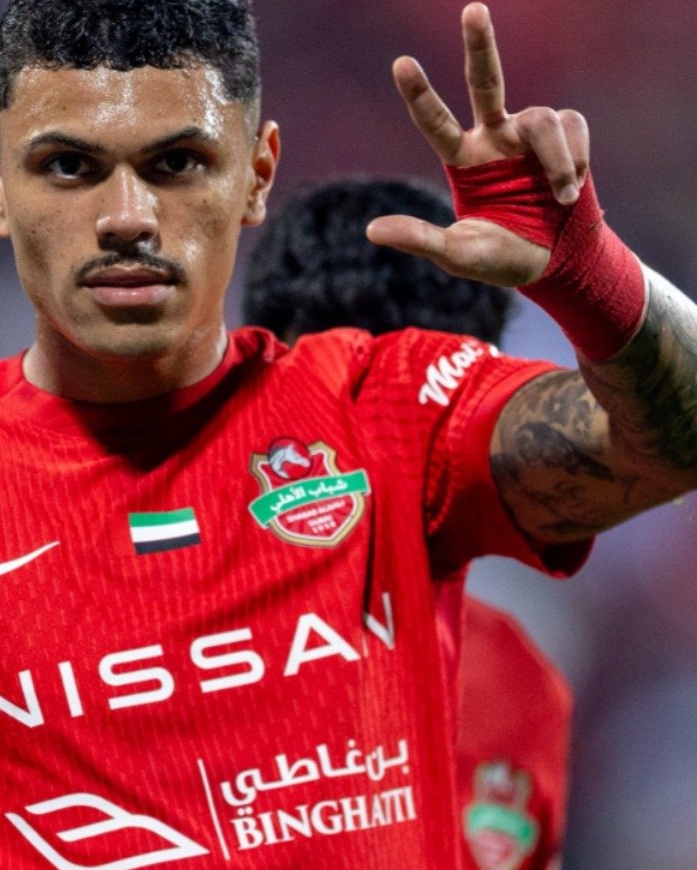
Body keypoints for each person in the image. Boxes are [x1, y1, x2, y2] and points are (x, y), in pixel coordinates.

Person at [0, 0, 697, 868]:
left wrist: (589, 274)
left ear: (256, 174)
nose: (127, 217)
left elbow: (696, 439)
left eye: (176, 162)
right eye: (69, 166)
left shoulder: (384, 413)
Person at [244, 177, 573, 870]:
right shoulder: (138, 637)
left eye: (429, 411)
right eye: (346, 398)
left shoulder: (516, 684)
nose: (384, 450)